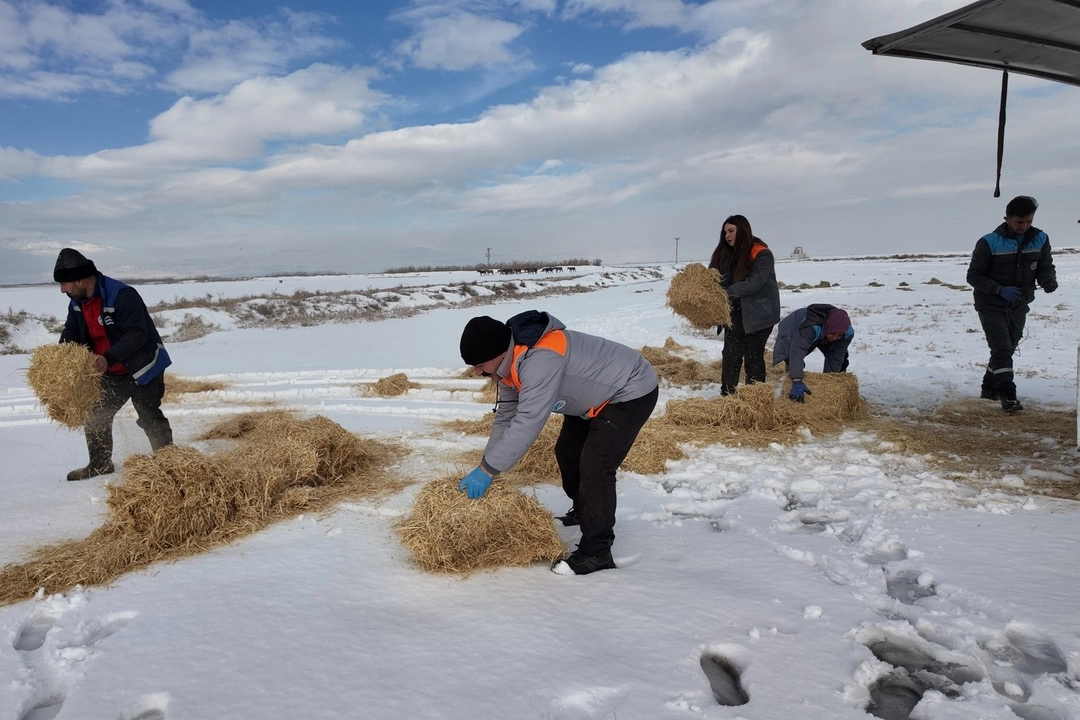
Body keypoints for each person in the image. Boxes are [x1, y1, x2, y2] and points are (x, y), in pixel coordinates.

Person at [458, 311, 658, 576]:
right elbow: (506, 415)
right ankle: (587, 511)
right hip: (589, 400)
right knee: (567, 453)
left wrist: (487, 471)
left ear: (498, 353)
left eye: (480, 364)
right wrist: (487, 463)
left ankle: (597, 551)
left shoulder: (539, 360)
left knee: (595, 466)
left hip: (628, 390)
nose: (477, 372)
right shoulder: (509, 364)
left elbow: (528, 420)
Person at [54, 248, 174, 481]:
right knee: (96, 414)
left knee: (149, 415)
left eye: (64, 284)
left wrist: (106, 358)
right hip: (110, 369)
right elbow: (71, 330)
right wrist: (63, 357)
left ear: (80, 279)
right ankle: (100, 464)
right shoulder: (76, 301)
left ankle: (168, 465)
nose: (62, 290)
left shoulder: (121, 295)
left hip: (143, 365)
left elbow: (137, 334)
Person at [966, 195, 1057, 412]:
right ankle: (1008, 394)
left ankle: (989, 388)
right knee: (1001, 348)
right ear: (1007, 218)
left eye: (1028, 222)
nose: (1024, 226)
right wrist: (999, 289)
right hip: (991, 304)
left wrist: (1047, 280)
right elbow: (973, 276)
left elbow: (1045, 265)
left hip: (1019, 304)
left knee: (1008, 348)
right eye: (1019, 222)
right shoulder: (988, 242)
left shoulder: (1041, 238)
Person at [708, 215, 781, 395]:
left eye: (731, 231)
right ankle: (727, 395)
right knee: (731, 355)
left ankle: (755, 397)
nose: (727, 235)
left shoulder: (761, 253)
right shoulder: (725, 255)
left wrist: (724, 294)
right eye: (725, 232)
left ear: (742, 230)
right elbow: (715, 279)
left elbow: (755, 282)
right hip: (735, 313)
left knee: (753, 356)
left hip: (759, 314)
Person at [771, 304, 853, 402]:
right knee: (790, 355)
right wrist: (797, 380)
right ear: (828, 328)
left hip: (822, 332)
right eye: (833, 333)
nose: (835, 337)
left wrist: (829, 382)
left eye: (839, 335)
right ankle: (791, 383)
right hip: (793, 326)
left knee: (838, 356)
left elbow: (835, 358)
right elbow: (797, 352)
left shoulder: (847, 334)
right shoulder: (810, 327)